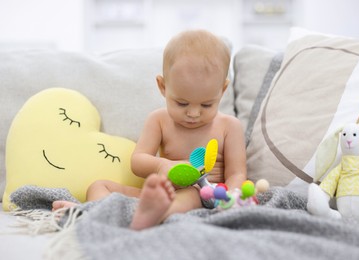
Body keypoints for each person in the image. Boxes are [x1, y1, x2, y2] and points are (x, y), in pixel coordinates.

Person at [52, 29, 247, 231]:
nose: (193, 113)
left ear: (222, 90)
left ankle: (150, 218)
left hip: (204, 196)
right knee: (99, 186)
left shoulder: (229, 126)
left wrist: (232, 195)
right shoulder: (159, 120)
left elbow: (237, 173)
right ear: (162, 86)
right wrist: (161, 166)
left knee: (191, 193)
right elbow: (138, 161)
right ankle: (93, 212)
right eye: (181, 103)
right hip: (153, 196)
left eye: (206, 105)